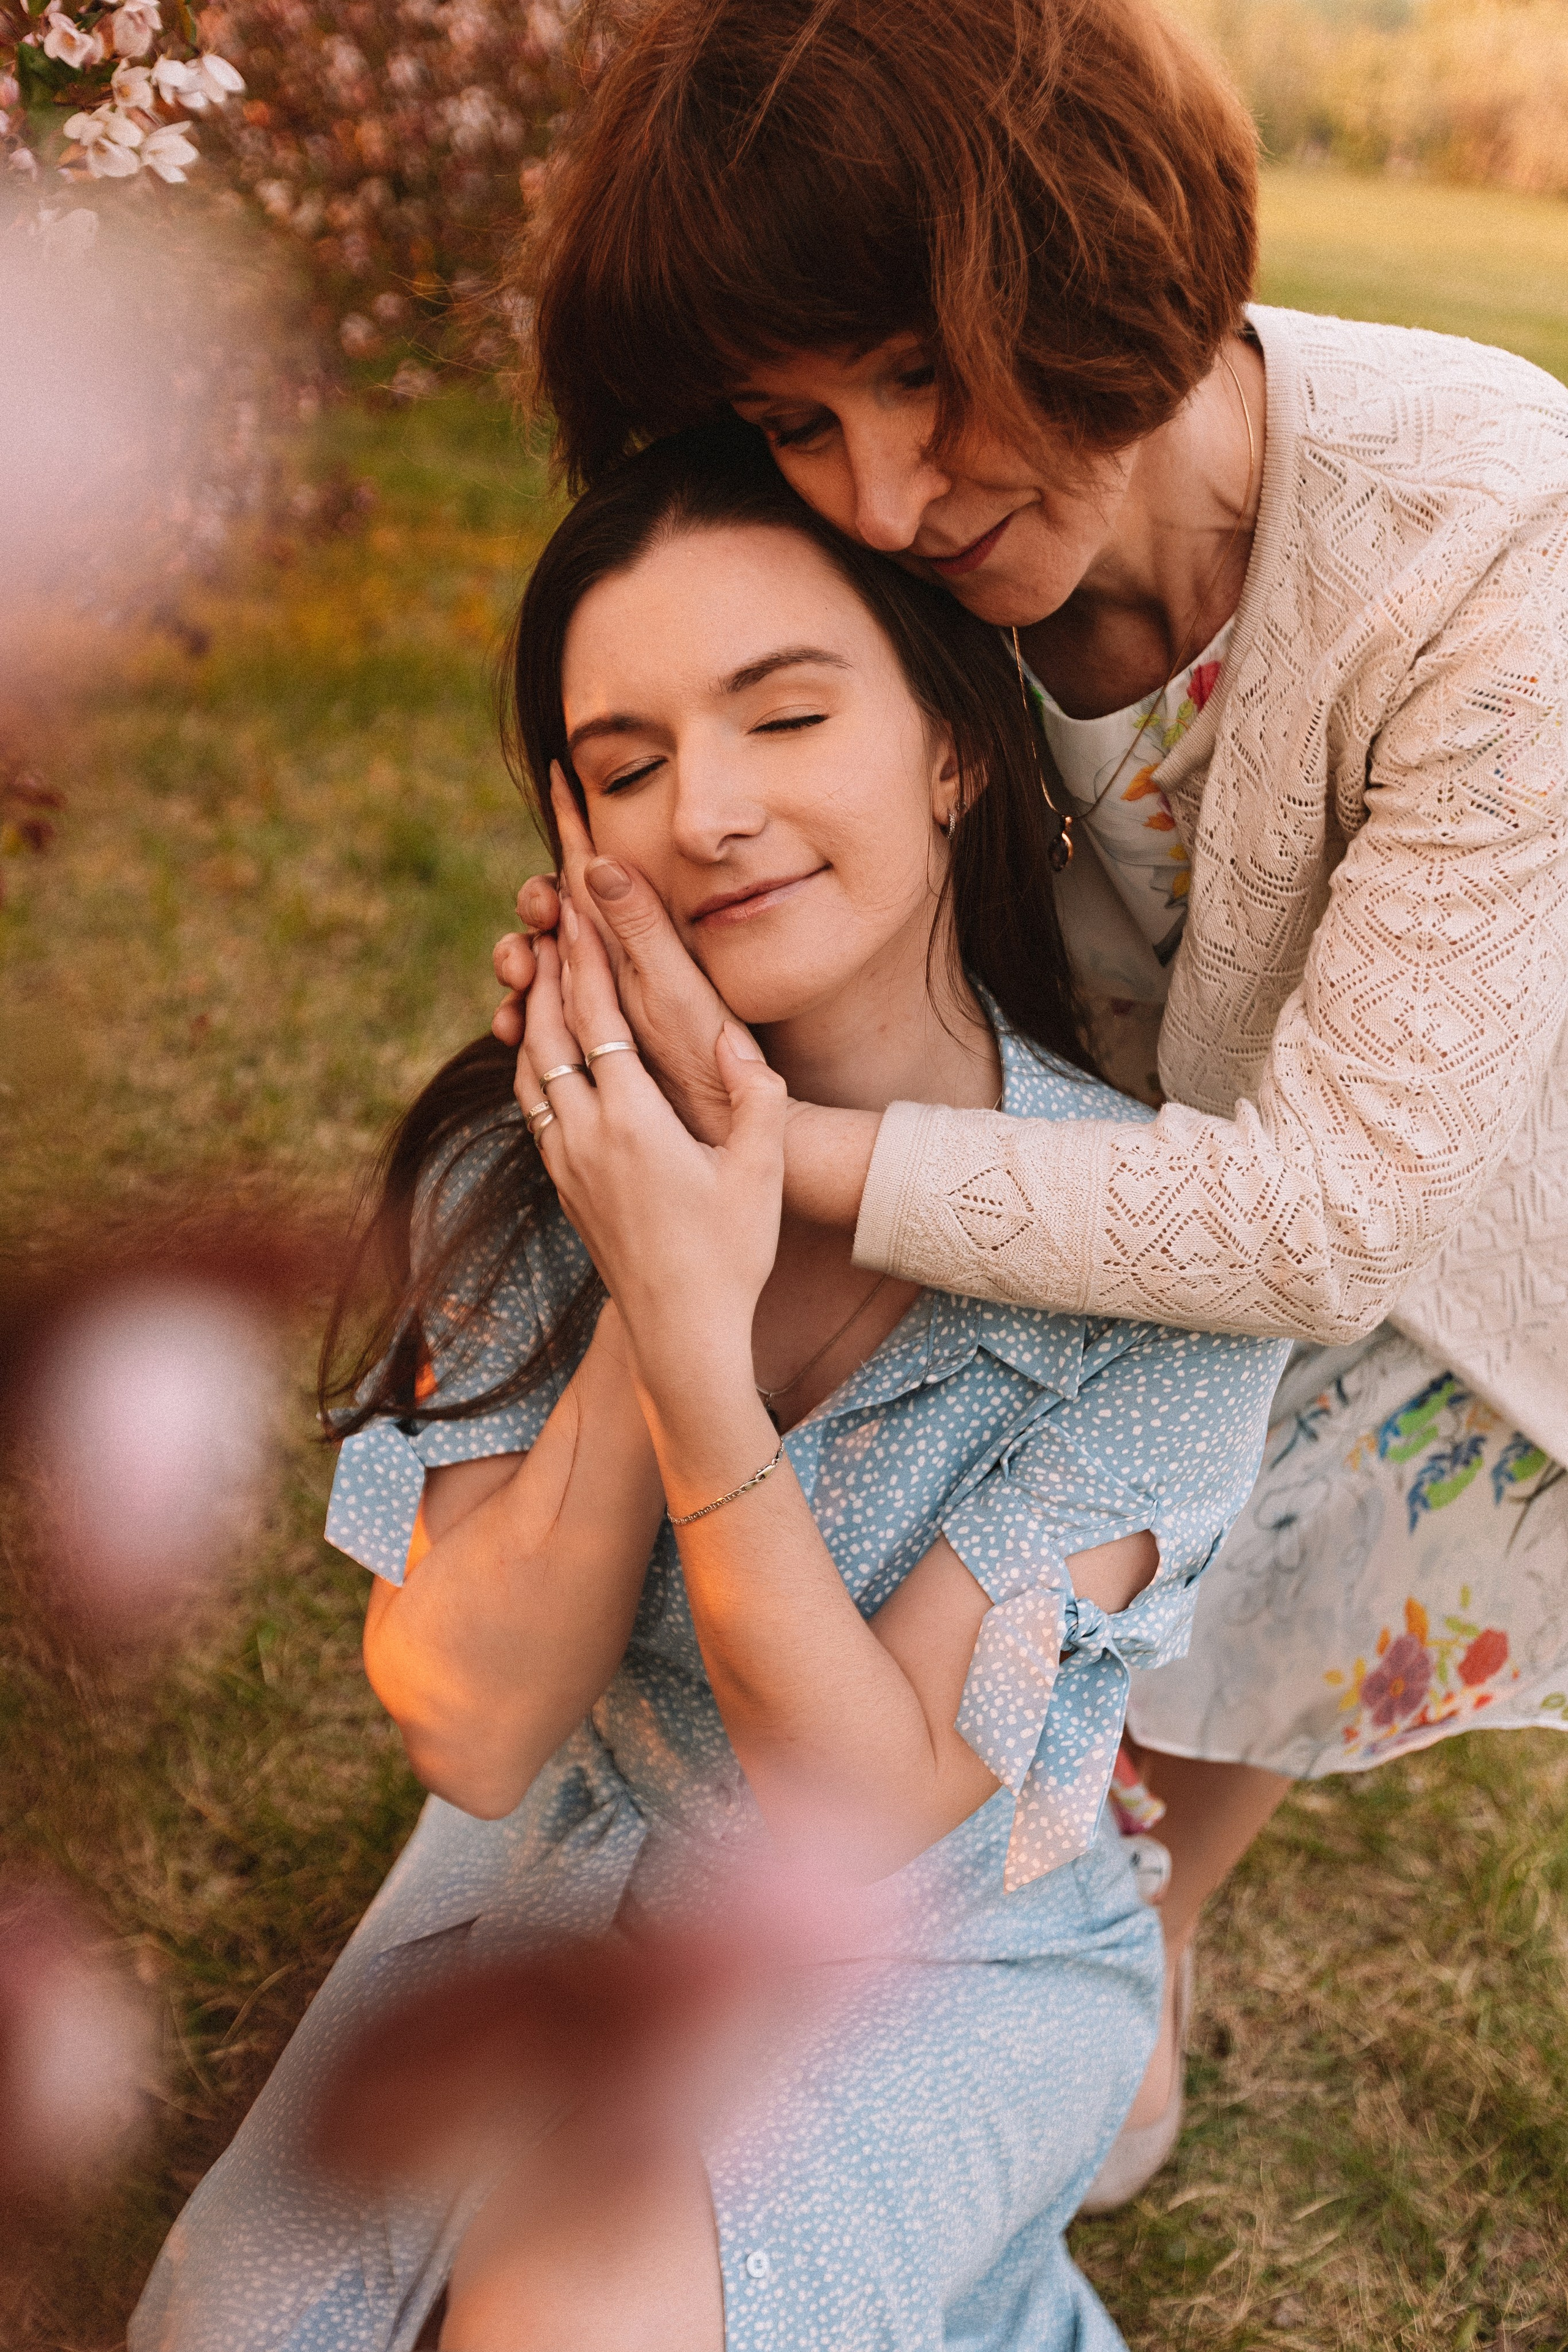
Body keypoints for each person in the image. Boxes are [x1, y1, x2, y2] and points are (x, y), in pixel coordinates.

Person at [488, 0, 1568, 2190]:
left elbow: (1333, 1216)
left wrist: (755, 1163)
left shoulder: (1493, 535)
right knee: (1057, 1530)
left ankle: (1128, 1924)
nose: (888, 500)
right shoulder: (877, 542)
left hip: (1427, 1180)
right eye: (799, 416)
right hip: (1045, 1156)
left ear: (1099, 261)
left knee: (1262, 1548)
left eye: (923, 376)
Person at [131, 425, 1287, 2351]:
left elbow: (863, 1807)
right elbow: (478, 1730)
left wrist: (692, 1324)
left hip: (940, 1946)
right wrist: (636, 1256)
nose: (711, 812)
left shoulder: (1156, 1267)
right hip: (563, 1848)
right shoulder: (522, 1163)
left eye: (783, 717)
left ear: (953, 745)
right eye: (628, 765)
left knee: (583, 2318)